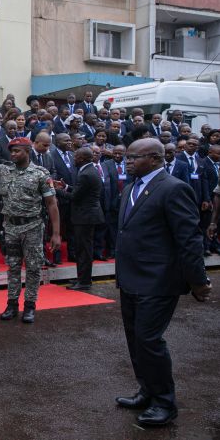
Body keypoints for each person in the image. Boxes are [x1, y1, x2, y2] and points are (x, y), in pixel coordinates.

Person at [117, 139, 210, 427]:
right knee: (135, 340)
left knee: (149, 341)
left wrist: (198, 280)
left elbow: (189, 238)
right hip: (130, 279)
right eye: (127, 157)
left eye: (134, 157)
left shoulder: (173, 188)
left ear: (155, 159)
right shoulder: (132, 187)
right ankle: (147, 390)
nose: (127, 162)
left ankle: (164, 403)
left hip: (158, 281)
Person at [0, 137, 61, 323]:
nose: (12, 154)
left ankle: (30, 306)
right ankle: (12, 305)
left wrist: (56, 233)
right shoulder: (4, 170)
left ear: (27, 151)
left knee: (34, 268)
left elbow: (51, 204)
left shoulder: (41, 174)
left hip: (33, 227)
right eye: (11, 151)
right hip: (10, 227)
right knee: (13, 267)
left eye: (17, 151)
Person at [59, 147, 104, 291]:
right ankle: (82, 277)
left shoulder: (86, 173)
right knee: (82, 249)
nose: (73, 158)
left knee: (84, 250)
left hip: (85, 217)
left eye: (76, 156)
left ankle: (84, 282)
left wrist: (56, 191)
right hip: (86, 216)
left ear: (83, 158)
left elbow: (74, 198)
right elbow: (80, 191)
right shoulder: (88, 170)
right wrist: (66, 187)